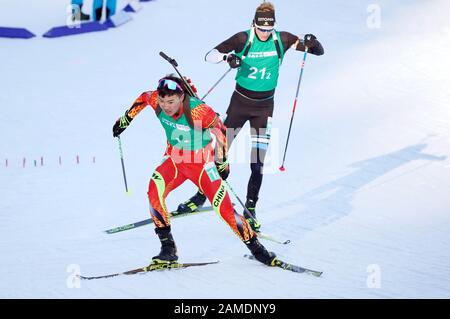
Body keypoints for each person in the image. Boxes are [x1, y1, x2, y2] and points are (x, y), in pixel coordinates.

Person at [177, 1, 324, 232]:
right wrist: (228, 59)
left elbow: (317, 50)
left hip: (263, 110)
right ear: (253, 24)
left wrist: (312, 42)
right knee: (220, 154)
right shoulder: (243, 38)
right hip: (239, 106)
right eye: (261, 29)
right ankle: (200, 197)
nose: (265, 33)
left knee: (257, 164)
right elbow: (210, 55)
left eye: (268, 29)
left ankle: (251, 208)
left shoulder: (282, 40)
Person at [112, 75, 277, 267]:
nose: (166, 106)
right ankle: (168, 249)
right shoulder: (156, 99)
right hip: (175, 161)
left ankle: (258, 250)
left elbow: (221, 130)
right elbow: (143, 97)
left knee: (225, 211)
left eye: (171, 101)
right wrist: (125, 119)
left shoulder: (198, 110)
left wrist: (222, 163)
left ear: (182, 97)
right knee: (153, 193)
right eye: (163, 101)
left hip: (201, 165)